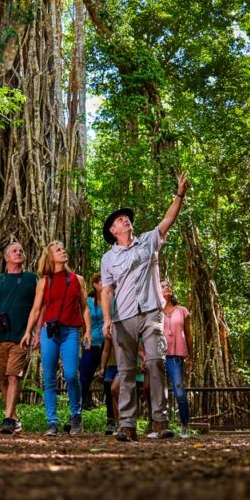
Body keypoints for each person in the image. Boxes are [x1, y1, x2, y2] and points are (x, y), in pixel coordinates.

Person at [100, 171, 190, 441]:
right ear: (113, 231)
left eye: (125, 217)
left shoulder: (149, 241)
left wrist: (180, 194)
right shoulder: (108, 258)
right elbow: (106, 290)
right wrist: (106, 319)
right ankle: (127, 425)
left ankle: (159, 421)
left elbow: (167, 220)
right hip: (123, 318)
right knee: (126, 370)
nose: (124, 219)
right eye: (118, 220)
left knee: (154, 362)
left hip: (151, 312)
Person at [22, 241, 91, 436]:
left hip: (70, 331)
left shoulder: (78, 279)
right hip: (49, 332)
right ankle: (52, 421)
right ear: (50, 257)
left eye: (63, 248)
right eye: (58, 250)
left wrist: (87, 331)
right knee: (49, 378)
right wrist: (29, 331)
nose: (63, 251)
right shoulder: (44, 281)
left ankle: (76, 415)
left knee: (71, 375)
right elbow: (36, 309)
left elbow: (84, 306)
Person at [0, 242, 37, 434]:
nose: (19, 253)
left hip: (21, 337)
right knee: (3, 378)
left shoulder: (31, 279)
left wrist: (36, 332)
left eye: (21, 251)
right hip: (0, 337)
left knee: (13, 376)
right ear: (6, 257)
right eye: (14, 251)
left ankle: (7, 419)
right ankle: (14, 418)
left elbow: (39, 307)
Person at [161, 279, 193, 438]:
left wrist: (191, 356)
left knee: (179, 391)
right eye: (162, 286)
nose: (166, 287)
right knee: (155, 392)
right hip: (158, 356)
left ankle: (184, 425)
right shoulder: (154, 311)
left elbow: (188, 334)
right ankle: (157, 426)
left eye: (168, 285)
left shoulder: (182, 311)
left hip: (176, 356)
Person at [78, 273, 106, 410]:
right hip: (92, 343)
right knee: (84, 379)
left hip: (109, 344)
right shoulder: (88, 300)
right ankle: (75, 413)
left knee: (110, 380)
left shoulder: (112, 300)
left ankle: (112, 420)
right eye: (102, 282)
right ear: (95, 285)